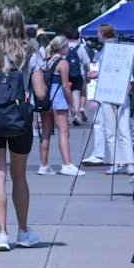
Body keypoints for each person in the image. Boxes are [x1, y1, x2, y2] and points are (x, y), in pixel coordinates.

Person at [0, 5, 47, 252]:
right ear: (21, 22)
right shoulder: (31, 52)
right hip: (19, 121)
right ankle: (24, 230)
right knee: (19, 176)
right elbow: (40, 93)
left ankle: (1, 234)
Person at [84, 23, 134, 174]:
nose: (97, 36)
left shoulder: (117, 48)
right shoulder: (103, 50)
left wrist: (125, 92)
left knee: (122, 130)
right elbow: (107, 70)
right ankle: (116, 162)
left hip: (118, 94)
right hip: (107, 93)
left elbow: (125, 72)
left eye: (99, 33)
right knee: (111, 130)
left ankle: (128, 162)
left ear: (102, 33)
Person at [37, 35, 84, 177]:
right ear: (63, 48)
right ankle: (67, 164)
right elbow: (65, 86)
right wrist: (72, 104)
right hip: (58, 99)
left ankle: (44, 165)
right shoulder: (63, 63)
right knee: (63, 132)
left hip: (46, 99)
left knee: (45, 133)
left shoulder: (47, 61)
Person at [64, 28, 91, 125]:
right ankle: (75, 114)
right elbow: (86, 63)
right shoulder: (80, 48)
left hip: (65, 74)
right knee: (76, 94)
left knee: (66, 95)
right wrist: (87, 73)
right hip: (78, 75)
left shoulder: (64, 47)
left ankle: (68, 113)